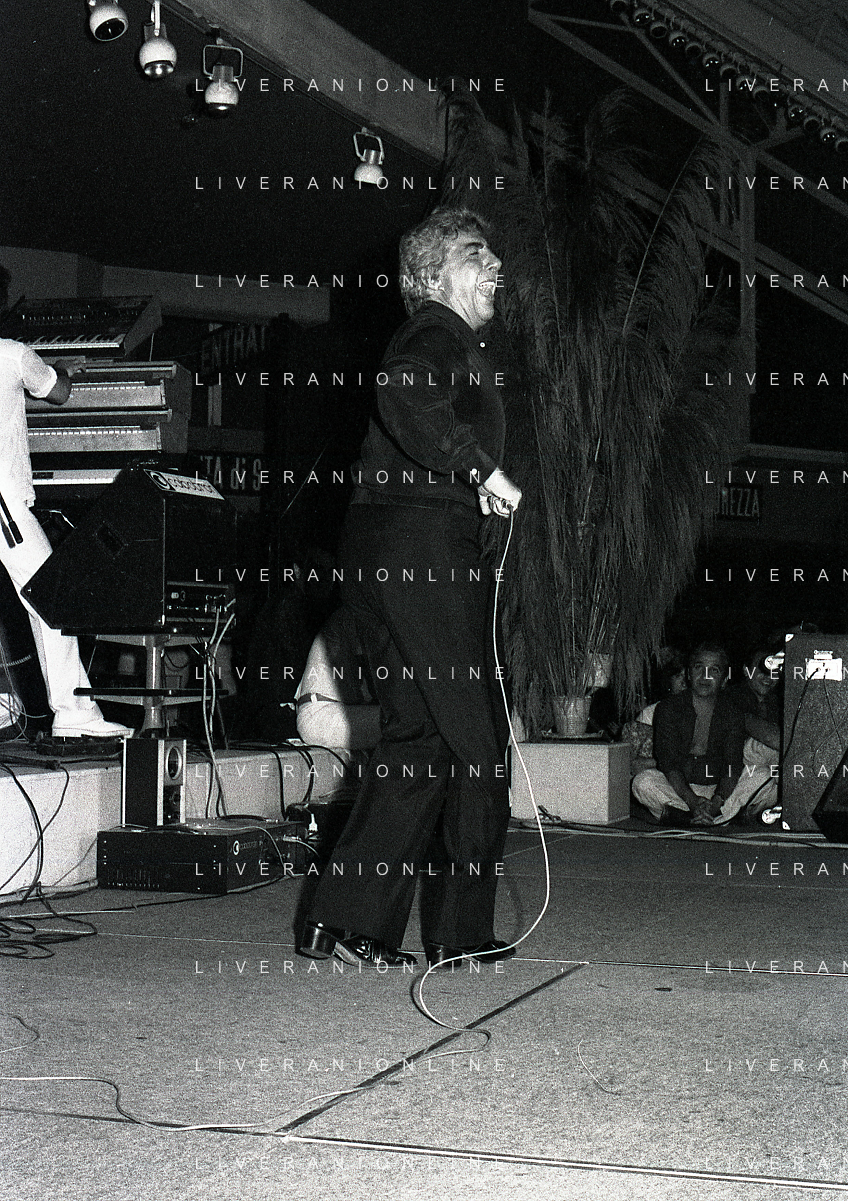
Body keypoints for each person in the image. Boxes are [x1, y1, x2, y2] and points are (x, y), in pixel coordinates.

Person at [298, 207, 522, 969]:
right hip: (422, 550)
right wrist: (480, 467)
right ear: (431, 273)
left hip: (384, 546)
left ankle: (344, 920)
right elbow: (402, 390)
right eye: (475, 252)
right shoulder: (435, 332)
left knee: (419, 742)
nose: (495, 264)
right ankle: (460, 932)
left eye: (493, 253)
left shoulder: (445, 340)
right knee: (476, 740)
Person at [0, 296, 132, 739]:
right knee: (50, 597)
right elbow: (58, 392)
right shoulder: (13, 354)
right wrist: (61, 368)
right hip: (4, 506)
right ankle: (74, 713)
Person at [631, 642, 768, 826]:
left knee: (762, 776)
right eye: (699, 668)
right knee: (642, 783)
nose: (705, 676)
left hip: (719, 791)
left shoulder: (732, 713)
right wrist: (693, 802)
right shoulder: (668, 708)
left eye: (714, 670)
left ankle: (696, 817)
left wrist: (717, 801)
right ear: (689, 674)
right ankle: (714, 817)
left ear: (724, 679)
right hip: (679, 789)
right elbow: (669, 764)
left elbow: (732, 765)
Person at [294, 605, 381, 752]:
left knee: (404, 720)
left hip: (329, 713)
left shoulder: (359, 613)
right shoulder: (355, 615)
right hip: (321, 716)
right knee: (404, 721)